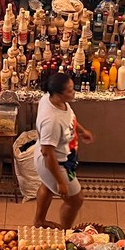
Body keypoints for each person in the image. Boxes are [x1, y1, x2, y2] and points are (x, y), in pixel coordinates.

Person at [33, 73, 94, 230]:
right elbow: (48, 154)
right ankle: (65, 233)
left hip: (60, 157)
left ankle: (39, 221)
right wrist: (60, 182)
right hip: (55, 164)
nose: (74, 92)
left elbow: (69, 119)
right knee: (76, 200)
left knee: (47, 186)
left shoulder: (53, 99)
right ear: (59, 94)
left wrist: (81, 131)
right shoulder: (51, 121)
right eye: (70, 90)